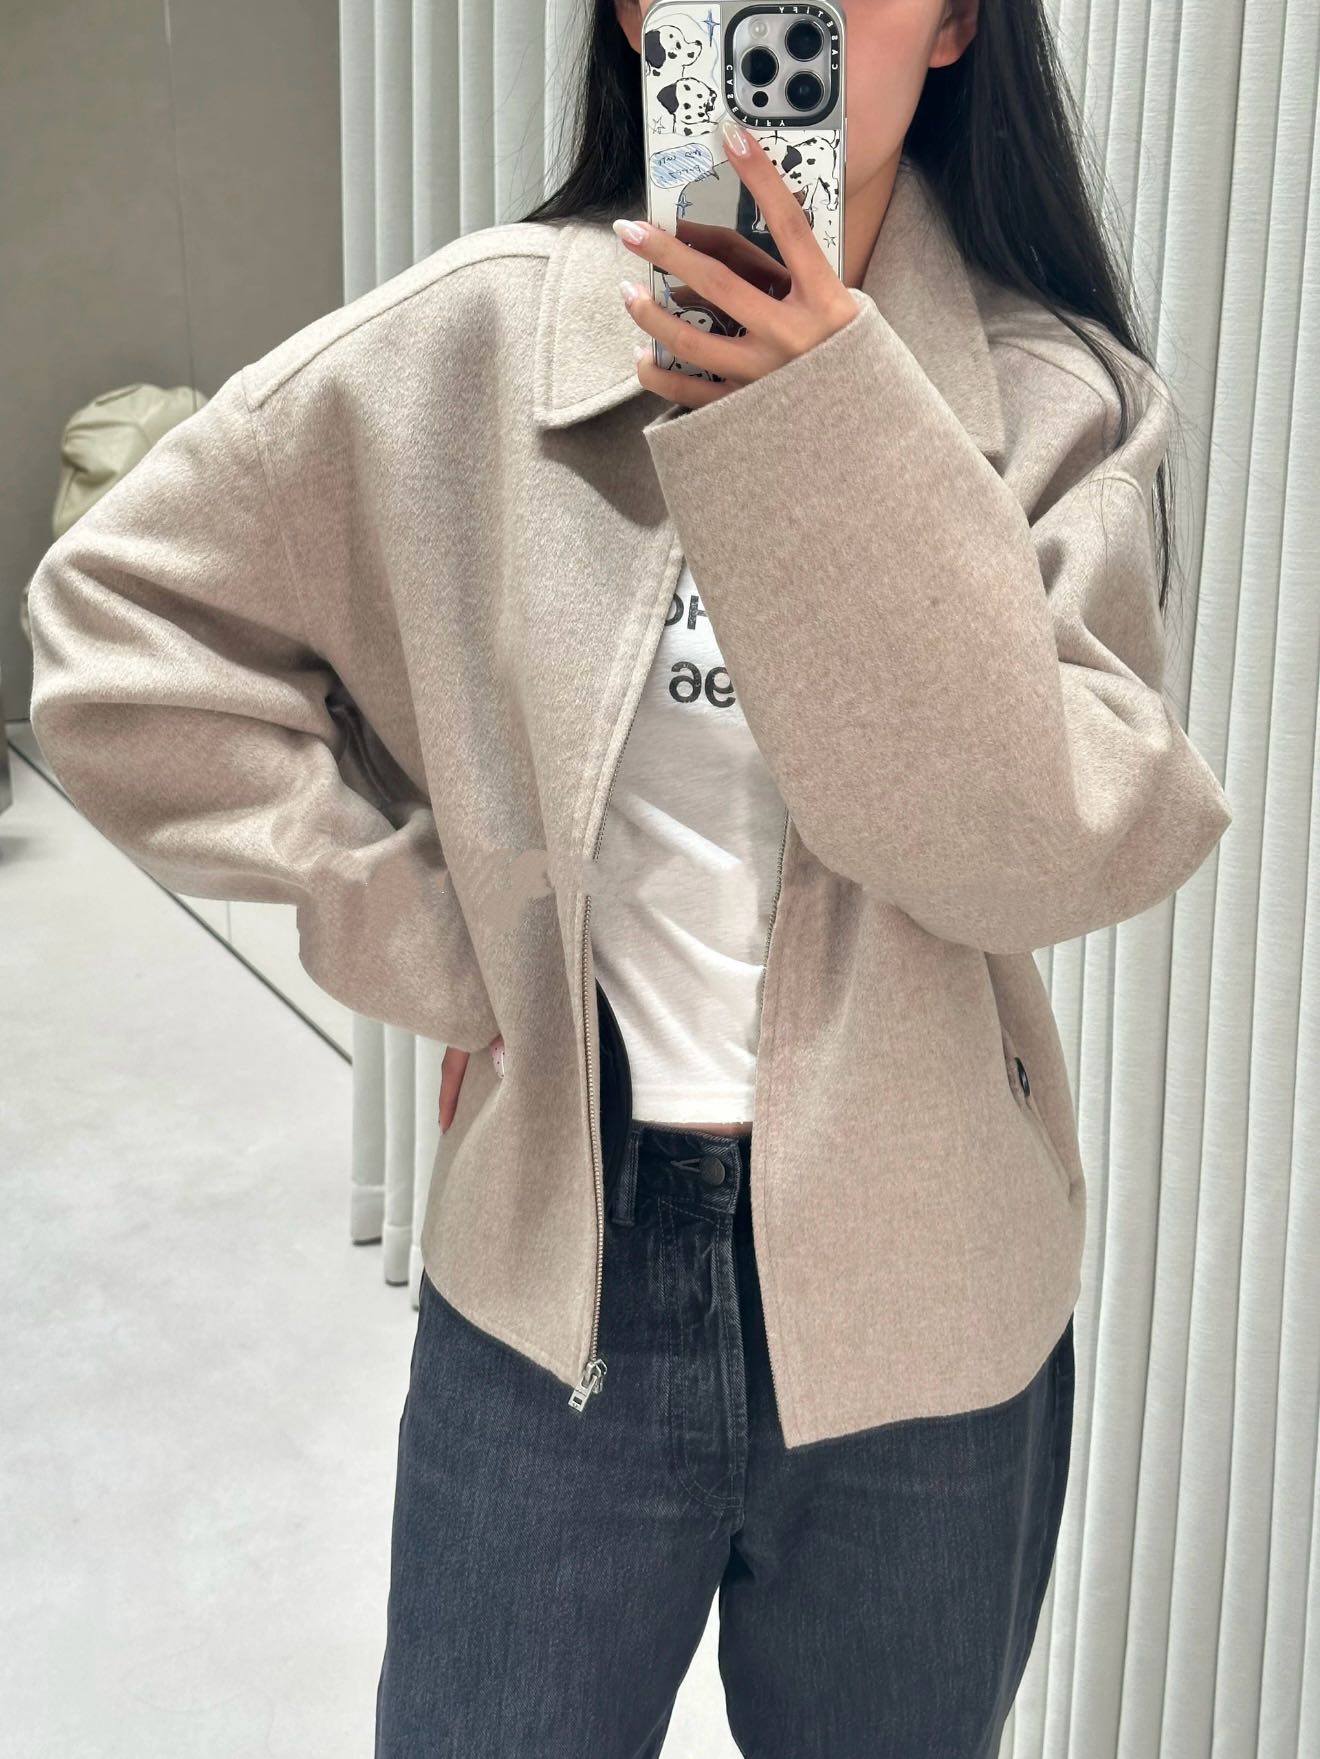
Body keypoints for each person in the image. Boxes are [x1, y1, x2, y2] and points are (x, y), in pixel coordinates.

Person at [27, 2, 1232, 1754]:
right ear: (633, 15)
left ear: (960, 21)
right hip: (557, 1277)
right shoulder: (472, 348)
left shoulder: (1061, 408)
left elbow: (1044, 850)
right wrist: (449, 940)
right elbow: (120, 635)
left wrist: (832, 420)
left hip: (936, 1297)